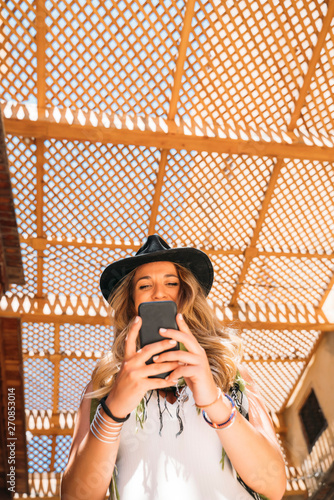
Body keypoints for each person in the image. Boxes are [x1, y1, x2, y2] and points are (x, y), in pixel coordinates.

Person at [61, 235, 286, 500]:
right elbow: (75, 497)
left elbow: (274, 486)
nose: (159, 292)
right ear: (132, 301)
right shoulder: (105, 386)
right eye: (145, 286)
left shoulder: (231, 374)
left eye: (171, 283)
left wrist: (214, 400)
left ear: (185, 294)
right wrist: (114, 409)